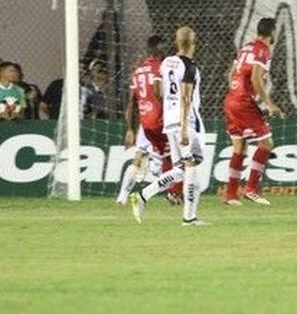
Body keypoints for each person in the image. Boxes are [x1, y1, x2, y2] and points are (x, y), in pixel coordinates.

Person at [131, 26, 206, 226]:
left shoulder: (166, 63)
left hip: (170, 120)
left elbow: (161, 91)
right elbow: (186, 96)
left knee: (180, 169)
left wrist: (170, 109)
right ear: (193, 43)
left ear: (176, 42)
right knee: (192, 164)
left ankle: (142, 195)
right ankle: (189, 218)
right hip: (185, 121)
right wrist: (184, 128)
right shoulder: (190, 66)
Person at [222, 18, 284, 206]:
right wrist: (269, 104)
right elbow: (257, 78)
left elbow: (231, 74)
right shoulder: (263, 50)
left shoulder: (246, 47)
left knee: (239, 148)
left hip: (231, 100)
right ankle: (251, 188)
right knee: (266, 144)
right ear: (272, 32)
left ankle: (231, 195)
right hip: (244, 103)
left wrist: (237, 92)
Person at [117, 35, 183, 207]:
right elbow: (158, 91)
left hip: (144, 123)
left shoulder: (138, 71)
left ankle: (122, 196)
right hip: (161, 120)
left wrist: (130, 129)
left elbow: (131, 102)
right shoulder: (161, 68)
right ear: (160, 49)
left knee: (138, 158)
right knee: (173, 157)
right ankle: (171, 192)